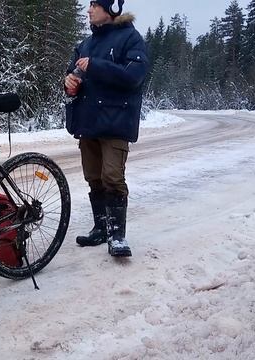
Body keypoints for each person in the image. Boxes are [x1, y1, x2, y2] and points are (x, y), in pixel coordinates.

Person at [64, 0, 149, 257]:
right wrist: (69, 82)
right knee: (94, 177)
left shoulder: (131, 39)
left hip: (115, 123)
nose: (89, 10)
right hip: (88, 122)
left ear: (111, 9)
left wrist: (97, 66)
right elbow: (72, 73)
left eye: (94, 5)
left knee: (112, 177)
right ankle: (100, 229)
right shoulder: (86, 44)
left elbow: (134, 76)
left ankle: (117, 236)